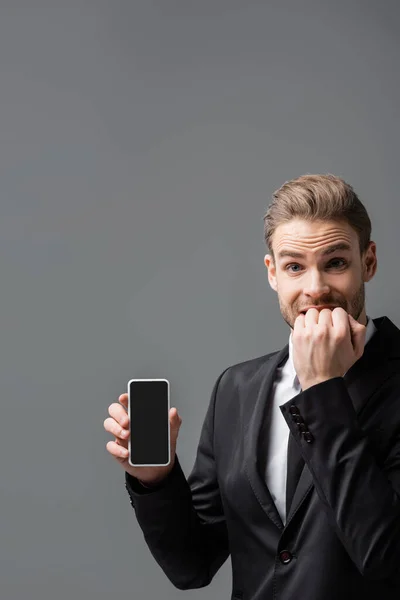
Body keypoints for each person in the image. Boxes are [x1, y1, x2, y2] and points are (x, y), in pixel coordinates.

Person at [104, 173, 400, 600]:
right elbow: (192, 565)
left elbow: (386, 557)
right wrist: (156, 480)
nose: (315, 289)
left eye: (336, 263)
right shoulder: (238, 388)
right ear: (272, 273)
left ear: (368, 262)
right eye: (294, 266)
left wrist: (321, 389)